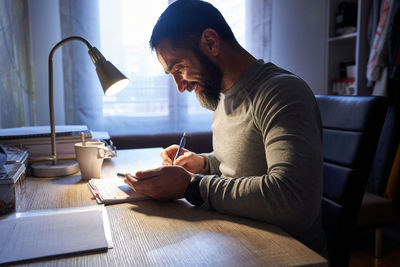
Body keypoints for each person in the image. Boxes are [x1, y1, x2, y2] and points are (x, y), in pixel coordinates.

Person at [124, 0, 327, 257]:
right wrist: (204, 164)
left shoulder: (281, 92)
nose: (180, 86)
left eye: (179, 68)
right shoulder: (220, 97)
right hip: (238, 240)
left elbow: (293, 201)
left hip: (288, 254)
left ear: (211, 41)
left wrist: (191, 186)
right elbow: (245, 167)